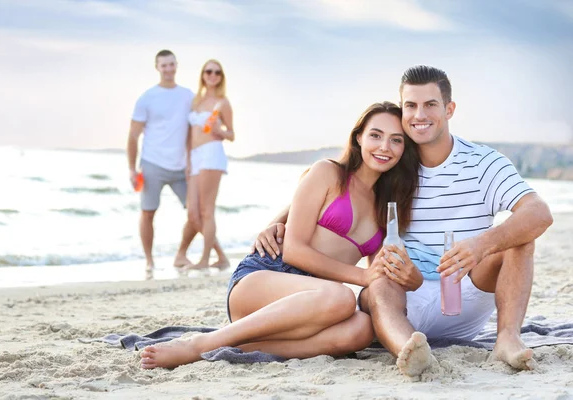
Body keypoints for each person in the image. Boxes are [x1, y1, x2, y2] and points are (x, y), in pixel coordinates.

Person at [250, 66, 554, 377]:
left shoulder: (484, 163)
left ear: (449, 109)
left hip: (469, 289)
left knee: (520, 237)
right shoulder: (393, 162)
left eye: (430, 105)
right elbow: (339, 184)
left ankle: (507, 338)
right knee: (379, 280)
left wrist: (480, 245)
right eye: (411, 105)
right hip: (404, 294)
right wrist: (277, 221)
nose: (419, 115)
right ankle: (409, 348)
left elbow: (539, 213)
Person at [140, 101, 421, 369]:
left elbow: (377, 276)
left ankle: (241, 347)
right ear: (359, 137)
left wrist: (412, 279)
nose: (385, 147)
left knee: (360, 329)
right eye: (376, 135)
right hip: (265, 280)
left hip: (313, 306)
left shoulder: (387, 208)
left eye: (396, 140)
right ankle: (199, 344)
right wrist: (361, 277)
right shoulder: (328, 173)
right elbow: (294, 251)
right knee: (341, 297)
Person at [127, 50, 224, 272]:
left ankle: (185, 255)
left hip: (183, 167)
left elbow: (200, 125)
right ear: (157, 67)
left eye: (171, 64)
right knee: (148, 212)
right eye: (164, 66)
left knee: (196, 213)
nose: (168, 69)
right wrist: (132, 169)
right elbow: (133, 136)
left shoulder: (188, 96)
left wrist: (216, 136)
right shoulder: (147, 98)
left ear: (176, 65)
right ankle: (150, 262)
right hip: (153, 163)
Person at [184, 59, 234, 270]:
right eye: (208, 71)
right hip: (195, 157)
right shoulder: (195, 101)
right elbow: (189, 134)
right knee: (192, 212)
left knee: (206, 210)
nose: (212, 75)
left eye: (217, 72)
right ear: (202, 75)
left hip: (212, 154)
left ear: (221, 76)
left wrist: (219, 130)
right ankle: (221, 258)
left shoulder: (222, 103)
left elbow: (231, 134)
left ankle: (204, 260)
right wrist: (187, 160)